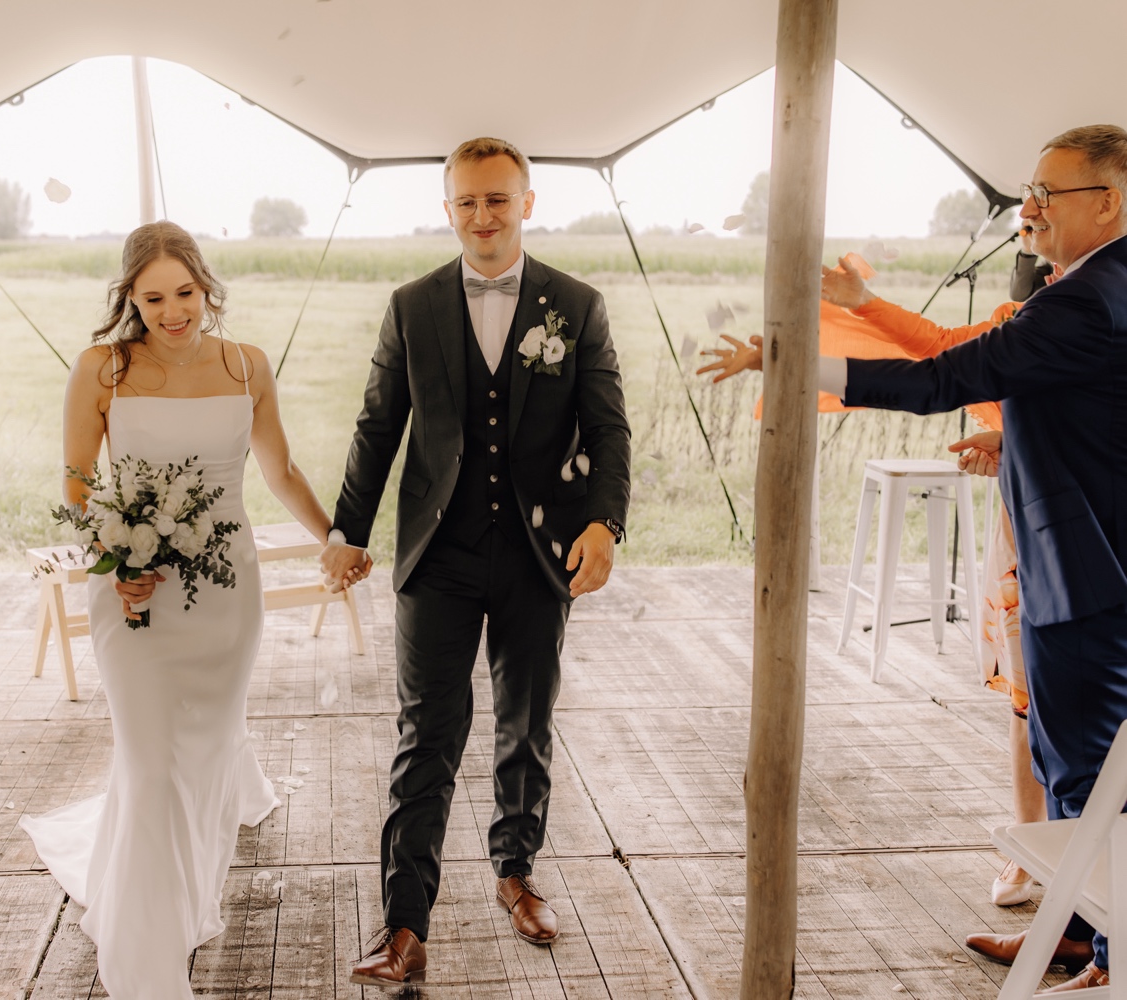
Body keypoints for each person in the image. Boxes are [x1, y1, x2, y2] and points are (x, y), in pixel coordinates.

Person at [703, 124, 1127, 993]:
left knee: (1083, 766)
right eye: (1029, 191)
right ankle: (1077, 931)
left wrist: (792, 367)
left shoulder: (1088, 298)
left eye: (1049, 192)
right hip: (1093, 556)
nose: (1030, 207)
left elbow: (944, 374)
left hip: (1088, 575)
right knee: (1073, 759)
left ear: (1109, 201)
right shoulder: (1094, 288)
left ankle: (1108, 959)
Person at [21, 221, 360, 1000]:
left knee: (205, 752)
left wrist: (335, 536)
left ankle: (180, 896)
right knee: (147, 763)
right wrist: (115, 565)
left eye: (185, 293)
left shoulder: (246, 365)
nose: (173, 312)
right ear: (129, 298)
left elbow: (280, 468)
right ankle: (145, 963)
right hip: (134, 595)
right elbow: (76, 485)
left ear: (206, 286)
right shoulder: (101, 369)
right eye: (152, 297)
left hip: (227, 594)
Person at [320, 137, 632, 987]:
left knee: (525, 722)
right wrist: (349, 530)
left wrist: (604, 521)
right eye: (467, 202)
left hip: (540, 552)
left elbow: (607, 429)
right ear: (448, 209)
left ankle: (515, 872)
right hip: (440, 552)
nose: (483, 216)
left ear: (527, 203)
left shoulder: (578, 304)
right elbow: (378, 427)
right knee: (427, 734)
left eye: (498, 200)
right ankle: (403, 925)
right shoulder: (412, 306)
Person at [815, 240, 1052, 910]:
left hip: (1094, 530)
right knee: (1025, 696)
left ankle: (1086, 877)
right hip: (1024, 522)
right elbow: (940, 348)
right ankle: (1031, 849)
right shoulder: (1023, 312)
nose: (1029, 223)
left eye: (1040, 203)